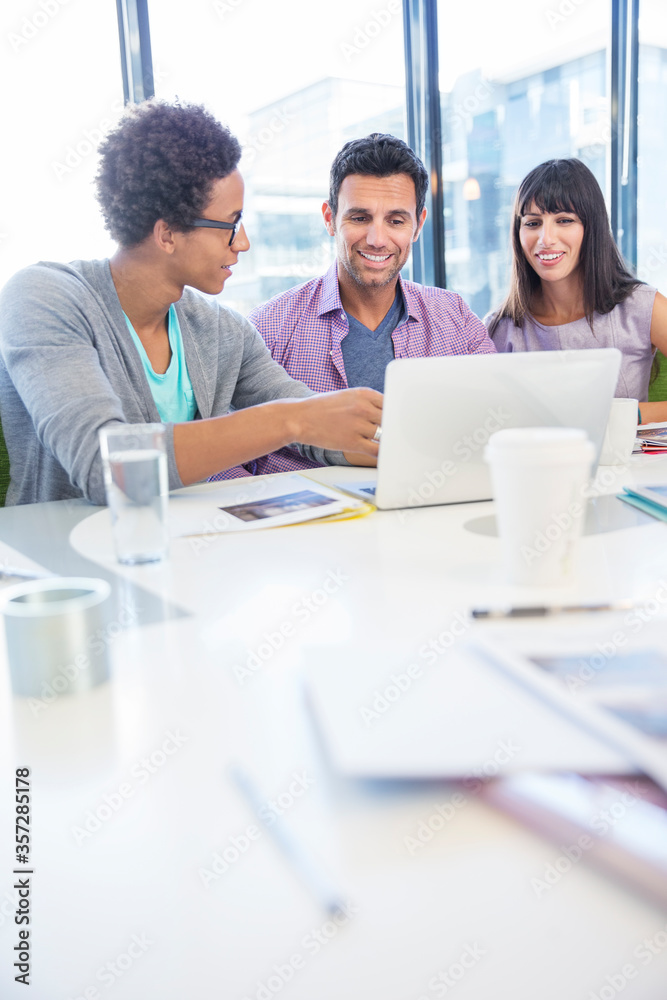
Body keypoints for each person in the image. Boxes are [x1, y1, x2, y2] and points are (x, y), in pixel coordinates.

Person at [0, 101, 382, 506]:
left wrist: (395, 447)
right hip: (66, 559)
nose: (243, 243)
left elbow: (315, 426)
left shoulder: (221, 330)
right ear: (167, 234)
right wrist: (290, 420)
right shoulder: (44, 298)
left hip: (186, 553)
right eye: (230, 224)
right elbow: (104, 468)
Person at [243, 133, 495, 477]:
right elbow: (224, 465)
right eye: (360, 218)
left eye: (395, 221)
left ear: (418, 225)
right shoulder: (268, 329)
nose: (377, 240)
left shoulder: (456, 319)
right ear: (330, 218)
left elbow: (496, 426)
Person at [485, 157, 667, 424]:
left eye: (564, 220)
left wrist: (629, 415)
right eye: (533, 223)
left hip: (627, 464)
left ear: (591, 228)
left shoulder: (642, 307)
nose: (546, 239)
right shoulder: (501, 328)